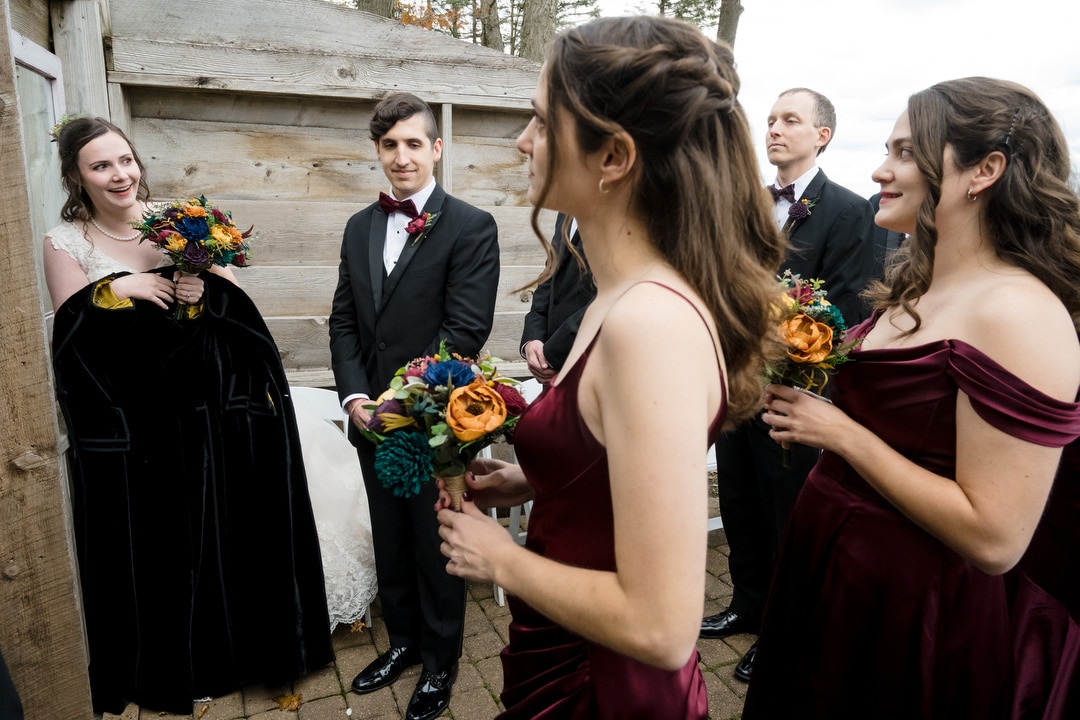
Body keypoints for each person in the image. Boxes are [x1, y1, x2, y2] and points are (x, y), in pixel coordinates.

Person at [434, 16, 786, 718]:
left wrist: (499, 561)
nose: (523, 141)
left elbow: (661, 627)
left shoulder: (647, 325)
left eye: (540, 121)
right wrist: (540, 477)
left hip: (605, 689)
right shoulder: (617, 296)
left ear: (614, 156)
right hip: (565, 658)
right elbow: (613, 456)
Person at [743, 78, 1080, 719]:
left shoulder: (1019, 313)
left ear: (984, 170)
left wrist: (839, 433)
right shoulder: (914, 286)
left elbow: (995, 537)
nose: (880, 169)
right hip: (837, 575)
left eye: (903, 152)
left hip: (915, 608)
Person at [44, 116, 335, 715]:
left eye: (125, 160)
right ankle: (177, 662)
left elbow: (235, 311)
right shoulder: (64, 242)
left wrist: (205, 293)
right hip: (138, 428)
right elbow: (70, 343)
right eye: (101, 166)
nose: (119, 175)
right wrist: (114, 291)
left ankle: (235, 654)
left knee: (225, 534)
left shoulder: (181, 220)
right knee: (162, 547)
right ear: (77, 176)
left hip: (207, 414)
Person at [329, 92, 500, 720]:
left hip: (430, 422)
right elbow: (344, 321)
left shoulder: (471, 225)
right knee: (391, 539)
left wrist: (401, 402)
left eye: (412, 143)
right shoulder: (358, 227)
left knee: (436, 543)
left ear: (436, 147)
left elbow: (464, 330)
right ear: (378, 151)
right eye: (389, 145)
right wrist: (353, 397)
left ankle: (441, 660)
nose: (401, 157)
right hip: (367, 420)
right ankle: (402, 642)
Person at [701, 87, 875, 681]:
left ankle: (782, 626)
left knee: (786, 513)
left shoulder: (850, 210)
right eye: (771, 119)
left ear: (821, 134)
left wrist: (795, 363)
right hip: (735, 383)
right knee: (741, 501)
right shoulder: (745, 203)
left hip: (793, 392)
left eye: (790, 120)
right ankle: (745, 604)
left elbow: (848, 308)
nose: (773, 128)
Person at [519, 213, 595, 381]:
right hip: (550, 370)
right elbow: (550, 275)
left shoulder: (619, 211)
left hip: (590, 366)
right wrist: (533, 338)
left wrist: (553, 354)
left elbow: (606, 298)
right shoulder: (565, 212)